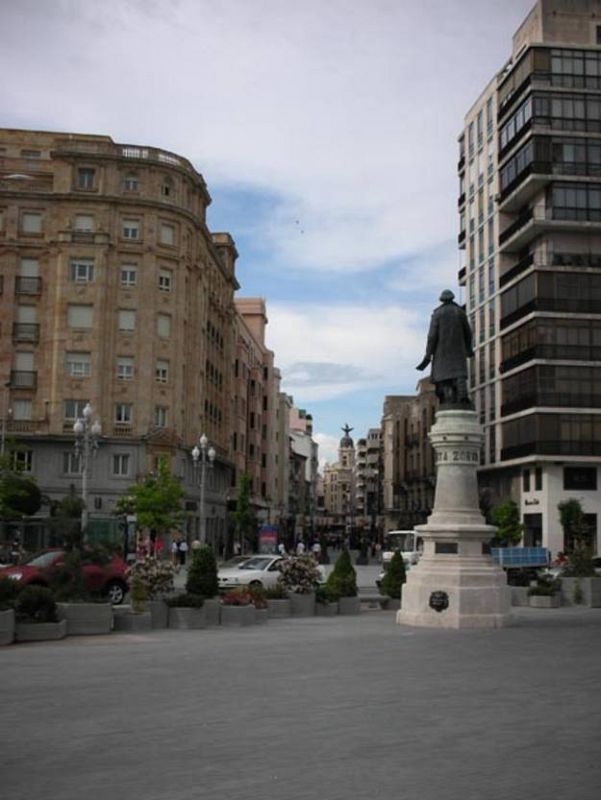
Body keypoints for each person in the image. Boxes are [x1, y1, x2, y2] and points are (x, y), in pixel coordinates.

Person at [416, 289, 474, 405]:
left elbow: (432, 336)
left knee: (444, 378)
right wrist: (468, 349)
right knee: (459, 375)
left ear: (442, 300)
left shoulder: (437, 314)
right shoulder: (460, 312)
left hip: (442, 353)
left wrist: (428, 355)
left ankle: (448, 400)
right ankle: (463, 396)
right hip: (458, 352)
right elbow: (468, 333)